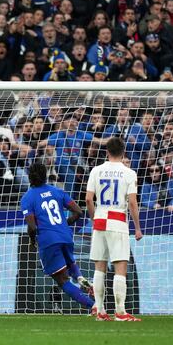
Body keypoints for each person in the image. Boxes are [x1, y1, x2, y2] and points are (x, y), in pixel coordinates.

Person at [22, 162, 95, 312]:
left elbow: (32, 226)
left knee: (62, 280)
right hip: (66, 236)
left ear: (30, 177)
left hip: (48, 240)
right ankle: (81, 278)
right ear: (45, 176)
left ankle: (93, 306)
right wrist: (64, 224)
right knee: (69, 262)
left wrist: (32, 240)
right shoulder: (57, 191)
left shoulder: (27, 198)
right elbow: (79, 212)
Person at [85, 137, 143, 321]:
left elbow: (88, 199)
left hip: (100, 219)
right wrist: (138, 228)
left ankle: (100, 310)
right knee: (120, 267)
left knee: (99, 267)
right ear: (124, 152)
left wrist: (95, 217)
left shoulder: (96, 170)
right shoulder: (129, 173)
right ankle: (120, 311)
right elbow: (132, 203)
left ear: (107, 152)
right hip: (118, 219)